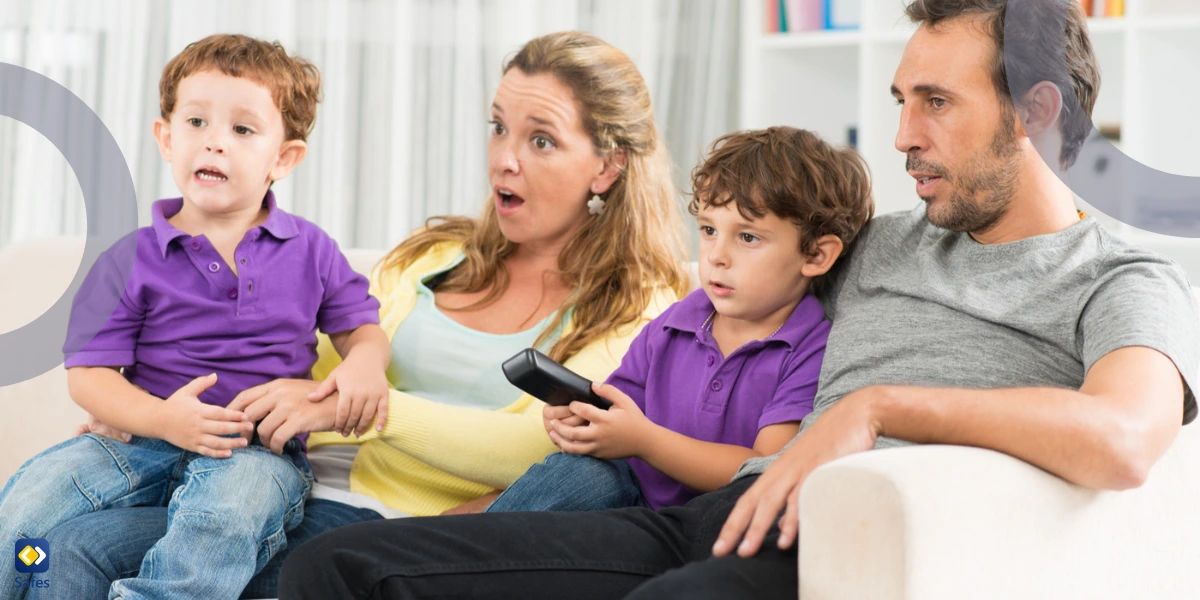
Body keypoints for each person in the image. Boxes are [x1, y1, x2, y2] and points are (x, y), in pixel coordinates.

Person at [276, 1, 1200, 598]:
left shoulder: (1123, 275)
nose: (902, 134)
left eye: (935, 103)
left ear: (1036, 110)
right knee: (336, 567)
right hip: (712, 515)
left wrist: (876, 409)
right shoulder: (875, 242)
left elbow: (1123, 440)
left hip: (837, 546)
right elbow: (732, 263)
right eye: (899, 99)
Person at [33, 30, 691, 599]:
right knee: (74, 542)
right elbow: (295, 363)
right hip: (309, 496)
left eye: (541, 140)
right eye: (499, 127)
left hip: (424, 528)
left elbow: (546, 441)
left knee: (594, 476)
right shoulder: (433, 256)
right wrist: (149, 404)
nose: (504, 158)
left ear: (606, 167)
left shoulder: (641, 301)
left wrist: (362, 408)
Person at [0, 34, 392, 599]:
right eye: (196, 123)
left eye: (242, 129)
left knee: (224, 520)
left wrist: (364, 365)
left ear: (284, 157)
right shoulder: (128, 258)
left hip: (253, 453)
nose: (214, 144)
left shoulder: (312, 250)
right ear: (165, 136)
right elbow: (89, 376)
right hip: (138, 441)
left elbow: (361, 329)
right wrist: (162, 420)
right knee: (30, 506)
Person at [486, 127, 872, 514]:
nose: (717, 256)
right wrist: (583, 420)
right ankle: (456, 557)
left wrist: (644, 442)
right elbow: (621, 410)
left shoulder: (811, 349)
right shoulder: (677, 321)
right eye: (708, 230)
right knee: (574, 472)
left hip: (711, 518)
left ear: (817, 256)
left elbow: (763, 467)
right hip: (630, 492)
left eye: (748, 238)